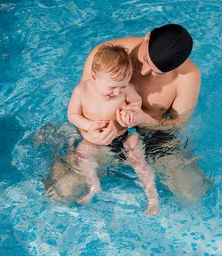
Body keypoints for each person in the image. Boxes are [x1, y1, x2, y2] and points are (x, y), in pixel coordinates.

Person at [43, 24, 207, 204]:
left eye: (156, 72)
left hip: (153, 135)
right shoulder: (105, 57)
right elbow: (83, 105)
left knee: (192, 193)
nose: (144, 71)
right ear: (147, 36)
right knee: (61, 192)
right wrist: (90, 134)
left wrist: (146, 120)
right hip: (104, 133)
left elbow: (179, 123)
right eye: (143, 60)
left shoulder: (188, 76)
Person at [67, 44, 160, 215]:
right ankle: (94, 185)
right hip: (94, 138)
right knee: (83, 153)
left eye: (122, 86)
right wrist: (88, 126)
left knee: (139, 160)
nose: (118, 92)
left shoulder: (125, 89)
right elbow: (72, 114)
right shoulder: (81, 91)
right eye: (112, 88)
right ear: (94, 77)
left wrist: (130, 112)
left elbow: (136, 102)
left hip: (125, 133)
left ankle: (152, 198)